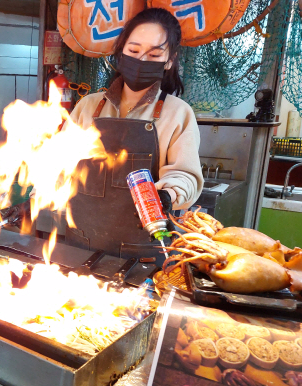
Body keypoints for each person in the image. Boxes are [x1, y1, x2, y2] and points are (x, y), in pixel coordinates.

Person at [66, 8, 203, 261]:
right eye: (133, 50)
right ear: (121, 52)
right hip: (79, 244)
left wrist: (168, 195)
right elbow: (59, 165)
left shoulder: (177, 113)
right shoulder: (88, 106)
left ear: (169, 60)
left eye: (154, 53)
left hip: (143, 255)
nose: (141, 59)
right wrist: (32, 194)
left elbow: (186, 176)